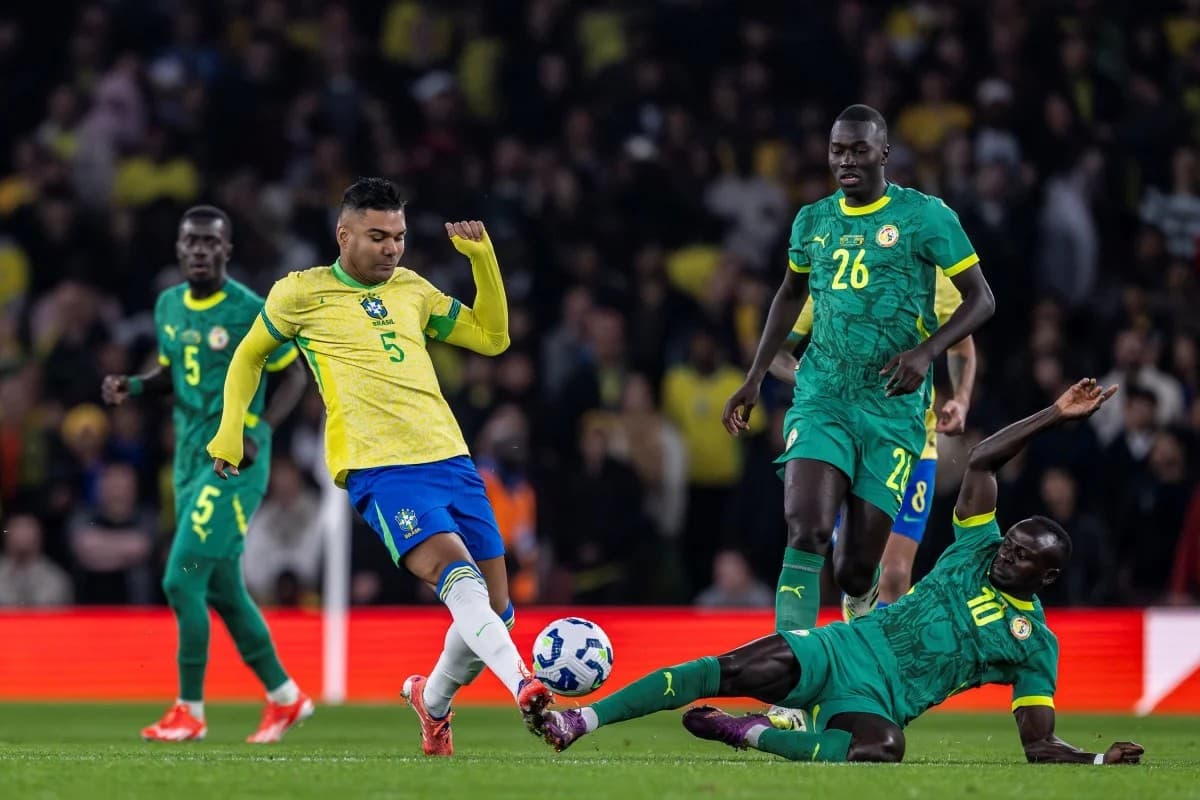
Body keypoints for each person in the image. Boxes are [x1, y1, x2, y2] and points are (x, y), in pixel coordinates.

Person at [539, 380, 1144, 767]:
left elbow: (1038, 743)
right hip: (843, 646)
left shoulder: (1036, 646)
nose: (1006, 553)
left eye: (1021, 556)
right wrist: (1055, 414)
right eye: (1010, 541)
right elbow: (983, 459)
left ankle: (748, 734)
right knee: (721, 669)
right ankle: (579, 720)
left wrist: (1093, 762)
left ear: (1046, 579)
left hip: (876, 700)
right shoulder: (976, 546)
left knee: (885, 749)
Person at [205, 177, 553, 757]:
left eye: (399, 236)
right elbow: (248, 356)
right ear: (344, 235)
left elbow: (493, 339)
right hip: (381, 468)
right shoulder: (300, 294)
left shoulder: (412, 289)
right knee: (456, 577)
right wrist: (229, 431)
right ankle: (525, 685)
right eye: (377, 236)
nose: (392, 248)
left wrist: (483, 261)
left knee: (496, 611)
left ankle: (432, 700)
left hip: (451, 459)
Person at [723, 104, 995, 638]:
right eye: (837, 150)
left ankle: (860, 602)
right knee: (806, 530)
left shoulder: (926, 217)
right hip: (823, 399)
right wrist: (755, 377)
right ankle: (792, 682)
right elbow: (789, 293)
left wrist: (926, 354)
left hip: (893, 413)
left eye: (858, 149)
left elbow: (981, 300)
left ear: (884, 153)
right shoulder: (813, 221)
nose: (845, 160)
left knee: (857, 568)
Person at [102, 204, 311, 743]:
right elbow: (173, 370)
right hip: (190, 460)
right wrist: (136, 386)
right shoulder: (168, 306)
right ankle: (286, 698)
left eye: (209, 242)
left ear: (226, 251)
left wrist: (258, 427)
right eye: (189, 242)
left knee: (179, 577)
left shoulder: (250, 310)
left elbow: (294, 373)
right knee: (221, 589)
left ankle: (189, 711)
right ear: (178, 249)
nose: (198, 250)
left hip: (235, 461)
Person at [769, 269, 977, 616]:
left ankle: (873, 661)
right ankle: (849, 645)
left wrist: (962, 398)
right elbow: (777, 352)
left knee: (893, 575)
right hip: (843, 440)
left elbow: (962, 343)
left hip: (911, 442)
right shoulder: (836, 270)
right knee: (856, 567)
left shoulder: (933, 275)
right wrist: (822, 377)